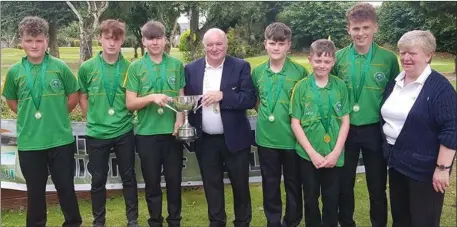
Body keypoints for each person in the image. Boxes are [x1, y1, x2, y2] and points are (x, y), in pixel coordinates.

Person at [1, 16, 82, 227]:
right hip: (30, 142)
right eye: (29, 40)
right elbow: (11, 101)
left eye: (38, 40)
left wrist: (58, 114)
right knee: (35, 192)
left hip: (60, 140)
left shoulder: (60, 67)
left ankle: (73, 223)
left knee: (65, 187)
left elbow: (73, 96)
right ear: (21, 41)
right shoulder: (14, 72)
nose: (34, 45)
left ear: (46, 40)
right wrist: (31, 114)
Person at [331, 3, 400, 227]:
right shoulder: (338, 57)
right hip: (346, 129)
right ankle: (346, 223)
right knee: (344, 184)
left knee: (377, 185)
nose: (361, 33)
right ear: (348, 29)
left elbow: (395, 95)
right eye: (356, 28)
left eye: (365, 27)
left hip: (375, 130)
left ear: (375, 28)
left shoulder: (388, 59)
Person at [380, 30, 456, 227]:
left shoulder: (440, 88)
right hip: (397, 165)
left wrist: (442, 169)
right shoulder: (395, 82)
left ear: (428, 55)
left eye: (412, 53)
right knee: (401, 218)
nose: (405, 58)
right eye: (402, 52)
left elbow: (451, 129)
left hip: (425, 170)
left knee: (424, 221)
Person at [183, 28, 257, 227]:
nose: (214, 48)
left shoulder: (241, 66)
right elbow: (186, 100)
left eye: (219, 44)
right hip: (205, 140)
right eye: (210, 44)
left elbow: (250, 99)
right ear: (204, 46)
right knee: (212, 187)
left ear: (226, 45)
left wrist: (223, 96)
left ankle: (242, 222)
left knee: (240, 186)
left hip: (234, 139)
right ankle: (216, 223)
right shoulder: (191, 69)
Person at [123, 20, 185, 227]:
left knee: (174, 181)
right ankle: (155, 221)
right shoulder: (135, 67)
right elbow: (130, 103)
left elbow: (182, 99)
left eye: (159, 38)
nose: (155, 42)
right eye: (150, 38)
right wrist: (151, 97)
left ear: (165, 40)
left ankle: (174, 220)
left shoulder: (176, 65)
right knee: (152, 184)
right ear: (144, 41)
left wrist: (179, 120)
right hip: (147, 134)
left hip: (172, 133)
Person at [78, 19, 139, 227]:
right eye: (107, 38)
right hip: (97, 133)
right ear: (100, 39)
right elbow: (83, 96)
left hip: (124, 130)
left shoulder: (131, 68)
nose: (112, 43)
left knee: (128, 177)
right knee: (98, 180)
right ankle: (99, 221)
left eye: (116, 39)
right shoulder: (87, 67)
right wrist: (91, 117)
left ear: (122, 40)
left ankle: (132, 220)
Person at [290, 39, 350, 227]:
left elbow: (345, 122)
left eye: (326, 61)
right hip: (308, 155)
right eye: (318, 60)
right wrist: (312, 153)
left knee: (331, 199)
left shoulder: (340, 86)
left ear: (333, 62)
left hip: (333, 155)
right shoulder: (301, 87)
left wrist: (336, 152)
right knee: (310, 198)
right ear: (310, 60)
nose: (322, 65)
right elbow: (295, 123)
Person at [251, 22, 306, 227]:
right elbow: (256, 100)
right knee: (270, 183)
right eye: (272, 43)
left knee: (293, 183)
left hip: (292, 139)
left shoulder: (299, 72)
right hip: (266, 138)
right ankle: (273, 221)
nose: (276, 47)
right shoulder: (257, 72)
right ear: (265, 44)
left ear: (288, 45)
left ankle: (291, 221)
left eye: (281, 43)